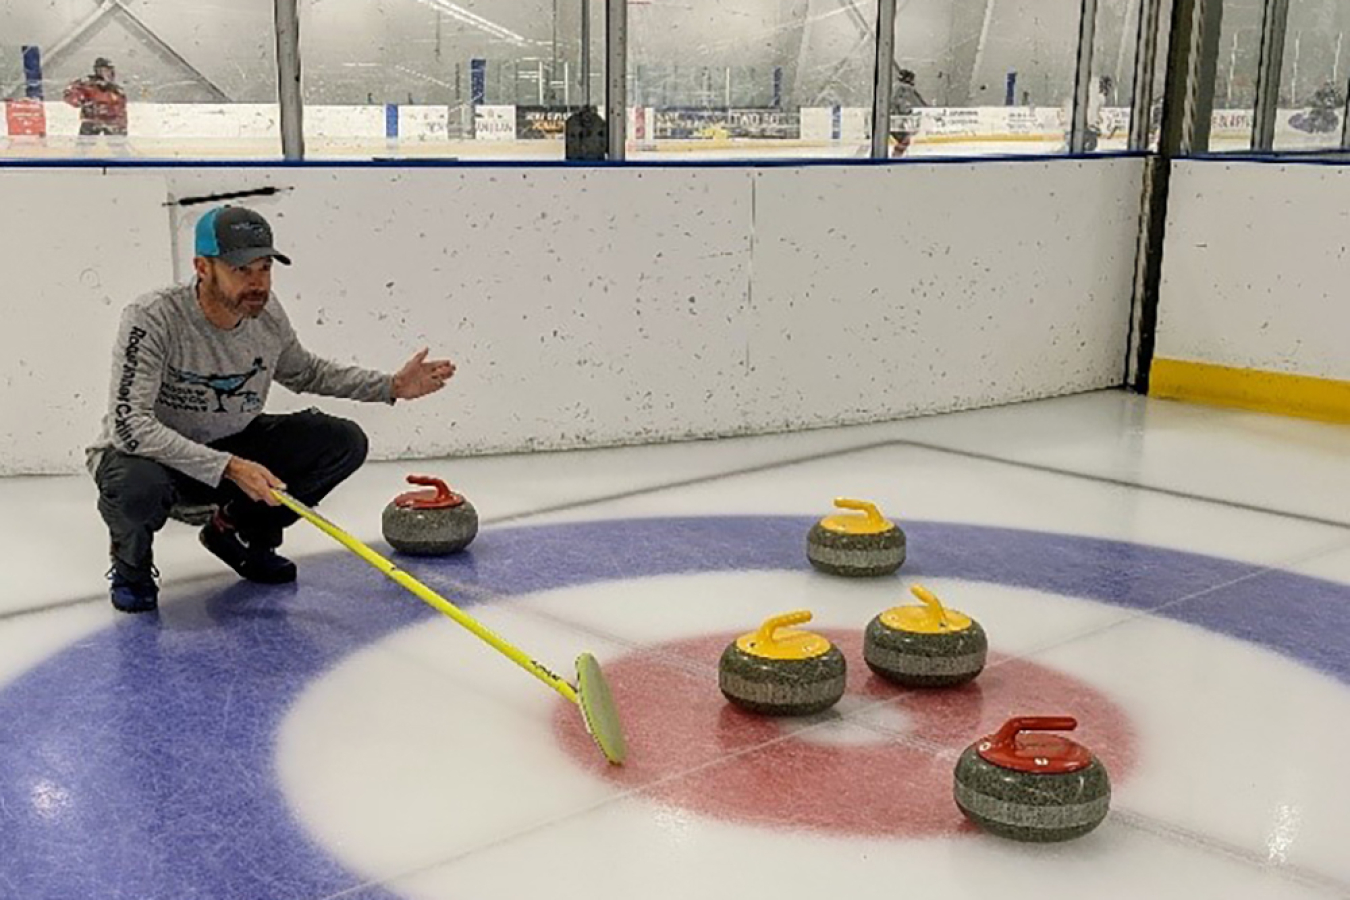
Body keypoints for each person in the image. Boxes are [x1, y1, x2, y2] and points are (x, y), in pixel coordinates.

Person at [88, 206, 457, 613]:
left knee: (341, 442)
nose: (257, 283)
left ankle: (235, 534)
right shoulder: (153, 317)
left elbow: (304, 371)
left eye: (264, 268)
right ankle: (131, 568)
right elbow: (130, 426)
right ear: (202, 267)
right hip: (152, 457)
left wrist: (390, 386)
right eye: (241, 269)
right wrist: (229, 466)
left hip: (230, 443)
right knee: (136, 488)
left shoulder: (265, 314)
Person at [64, 57, 130, 156]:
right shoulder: (87, 84)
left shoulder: (116, 90)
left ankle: (125, 167)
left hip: (111, 123)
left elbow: (121, 110)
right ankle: (78, 166)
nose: (108, 73)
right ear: (97, 71)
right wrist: (83, 101)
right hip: (91, 121)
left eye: (110, 70)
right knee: (82, 150)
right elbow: (70, 95)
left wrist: (121, 128)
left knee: (119, 150)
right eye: (104, 70)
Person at [889, 68, 928, 157]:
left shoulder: (895, 86)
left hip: (891, 118)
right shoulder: (905, 89)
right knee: (905, 139)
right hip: (895, 119)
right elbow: (902, 104)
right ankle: (895, 158)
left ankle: (896, 156)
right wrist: (908, 112)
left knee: (904, 139)